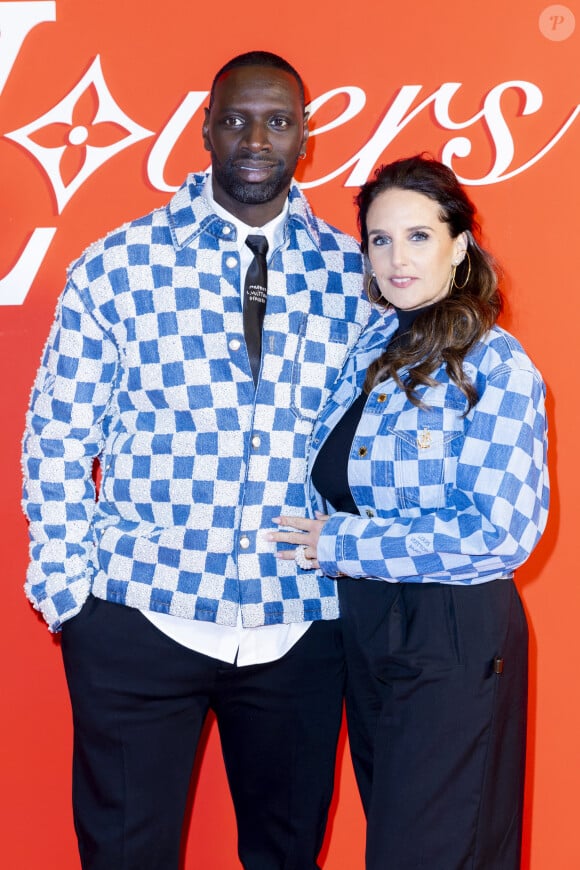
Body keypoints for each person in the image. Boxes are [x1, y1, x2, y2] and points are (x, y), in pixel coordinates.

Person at [21, 51, 373, 870]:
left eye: (278, 120)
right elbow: (59, 437)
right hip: (140, 614)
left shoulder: (355, 277)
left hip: (301, 624)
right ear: (205, 128)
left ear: (305, 136)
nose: (257, 137)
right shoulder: (117, 266)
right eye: (237, 118)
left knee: (287, 858)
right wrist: (69, 597)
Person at [269, 155, 549, 869]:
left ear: (459, 246)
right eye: (380, 240)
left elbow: (500, 533)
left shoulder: (496, 364)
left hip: (451, 631)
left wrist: (344, 546)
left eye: (419, 237)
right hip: (364, 628)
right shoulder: (369, 349)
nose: (397, 258)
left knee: (426, 852)